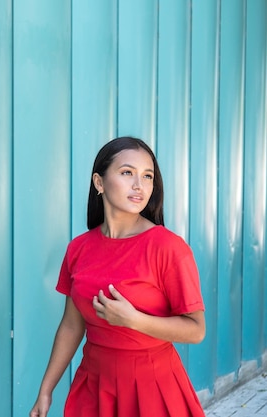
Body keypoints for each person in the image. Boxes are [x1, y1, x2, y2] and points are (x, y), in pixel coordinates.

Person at [30, 137, 206, 417]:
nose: (139, 185)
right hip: (95, 386)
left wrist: (133, 320)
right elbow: (72, 327)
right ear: (99, 183)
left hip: (153, 389)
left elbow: (196, 330)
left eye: (147, 176)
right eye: (127, 173)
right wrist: (46, 389)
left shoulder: (169, 248)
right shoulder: (78, 248)